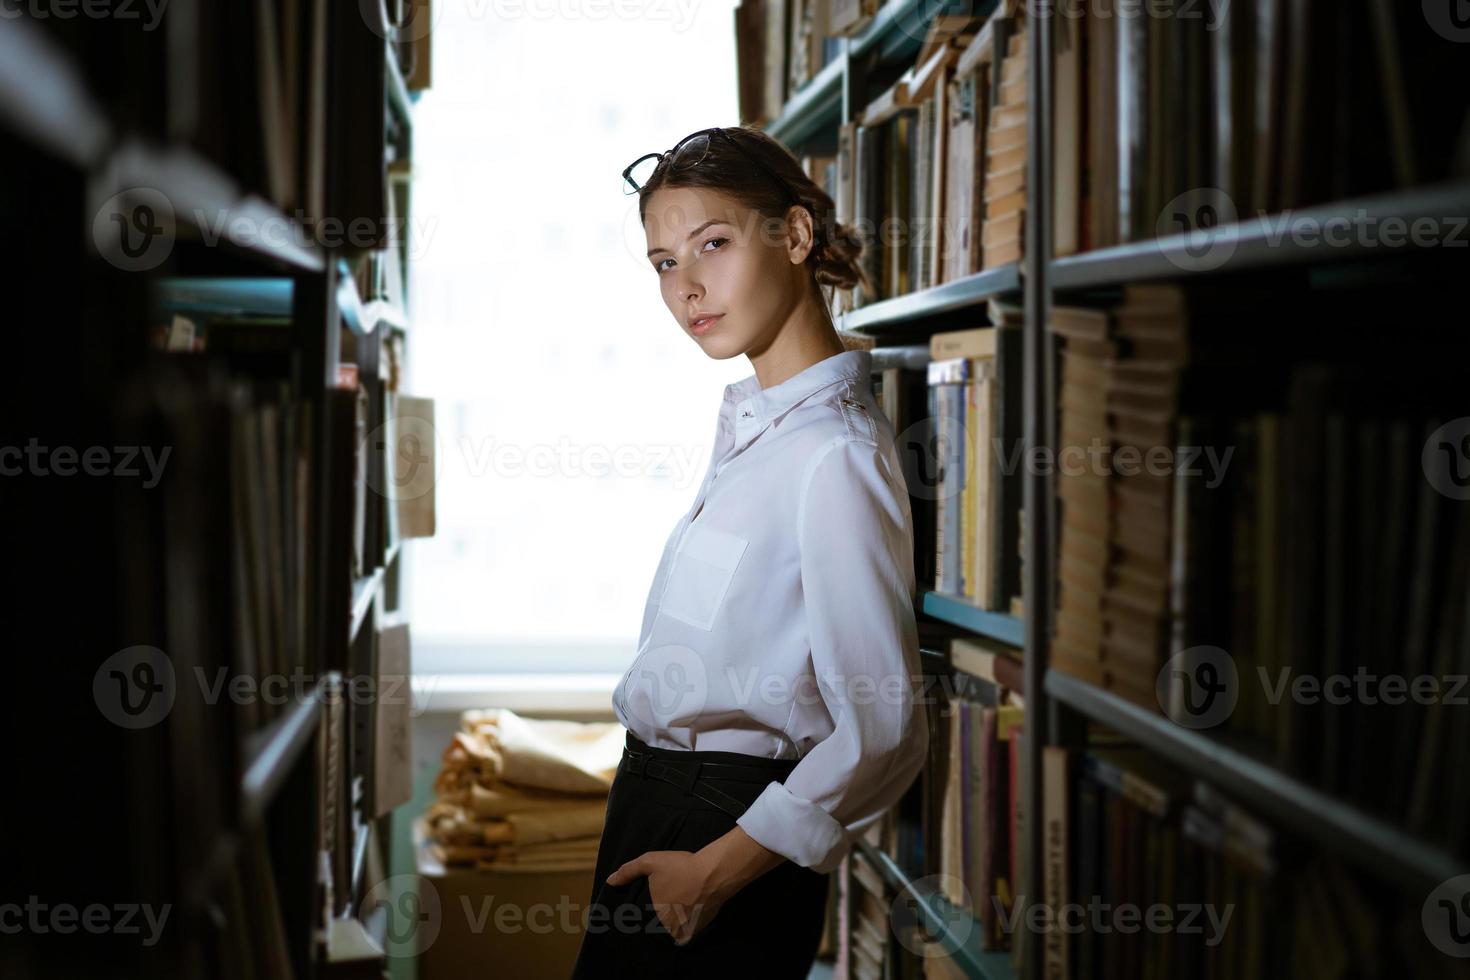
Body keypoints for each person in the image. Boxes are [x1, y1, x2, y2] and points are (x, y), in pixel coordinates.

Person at [570, 126, 928, 979]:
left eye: (714, 245)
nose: (687, 287)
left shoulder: (832, 455)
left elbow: (884, 725)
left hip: (722, 838)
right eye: (663, 263)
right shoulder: (756, 431)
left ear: (796, 236)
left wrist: (716, 868)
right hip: (652, 810)